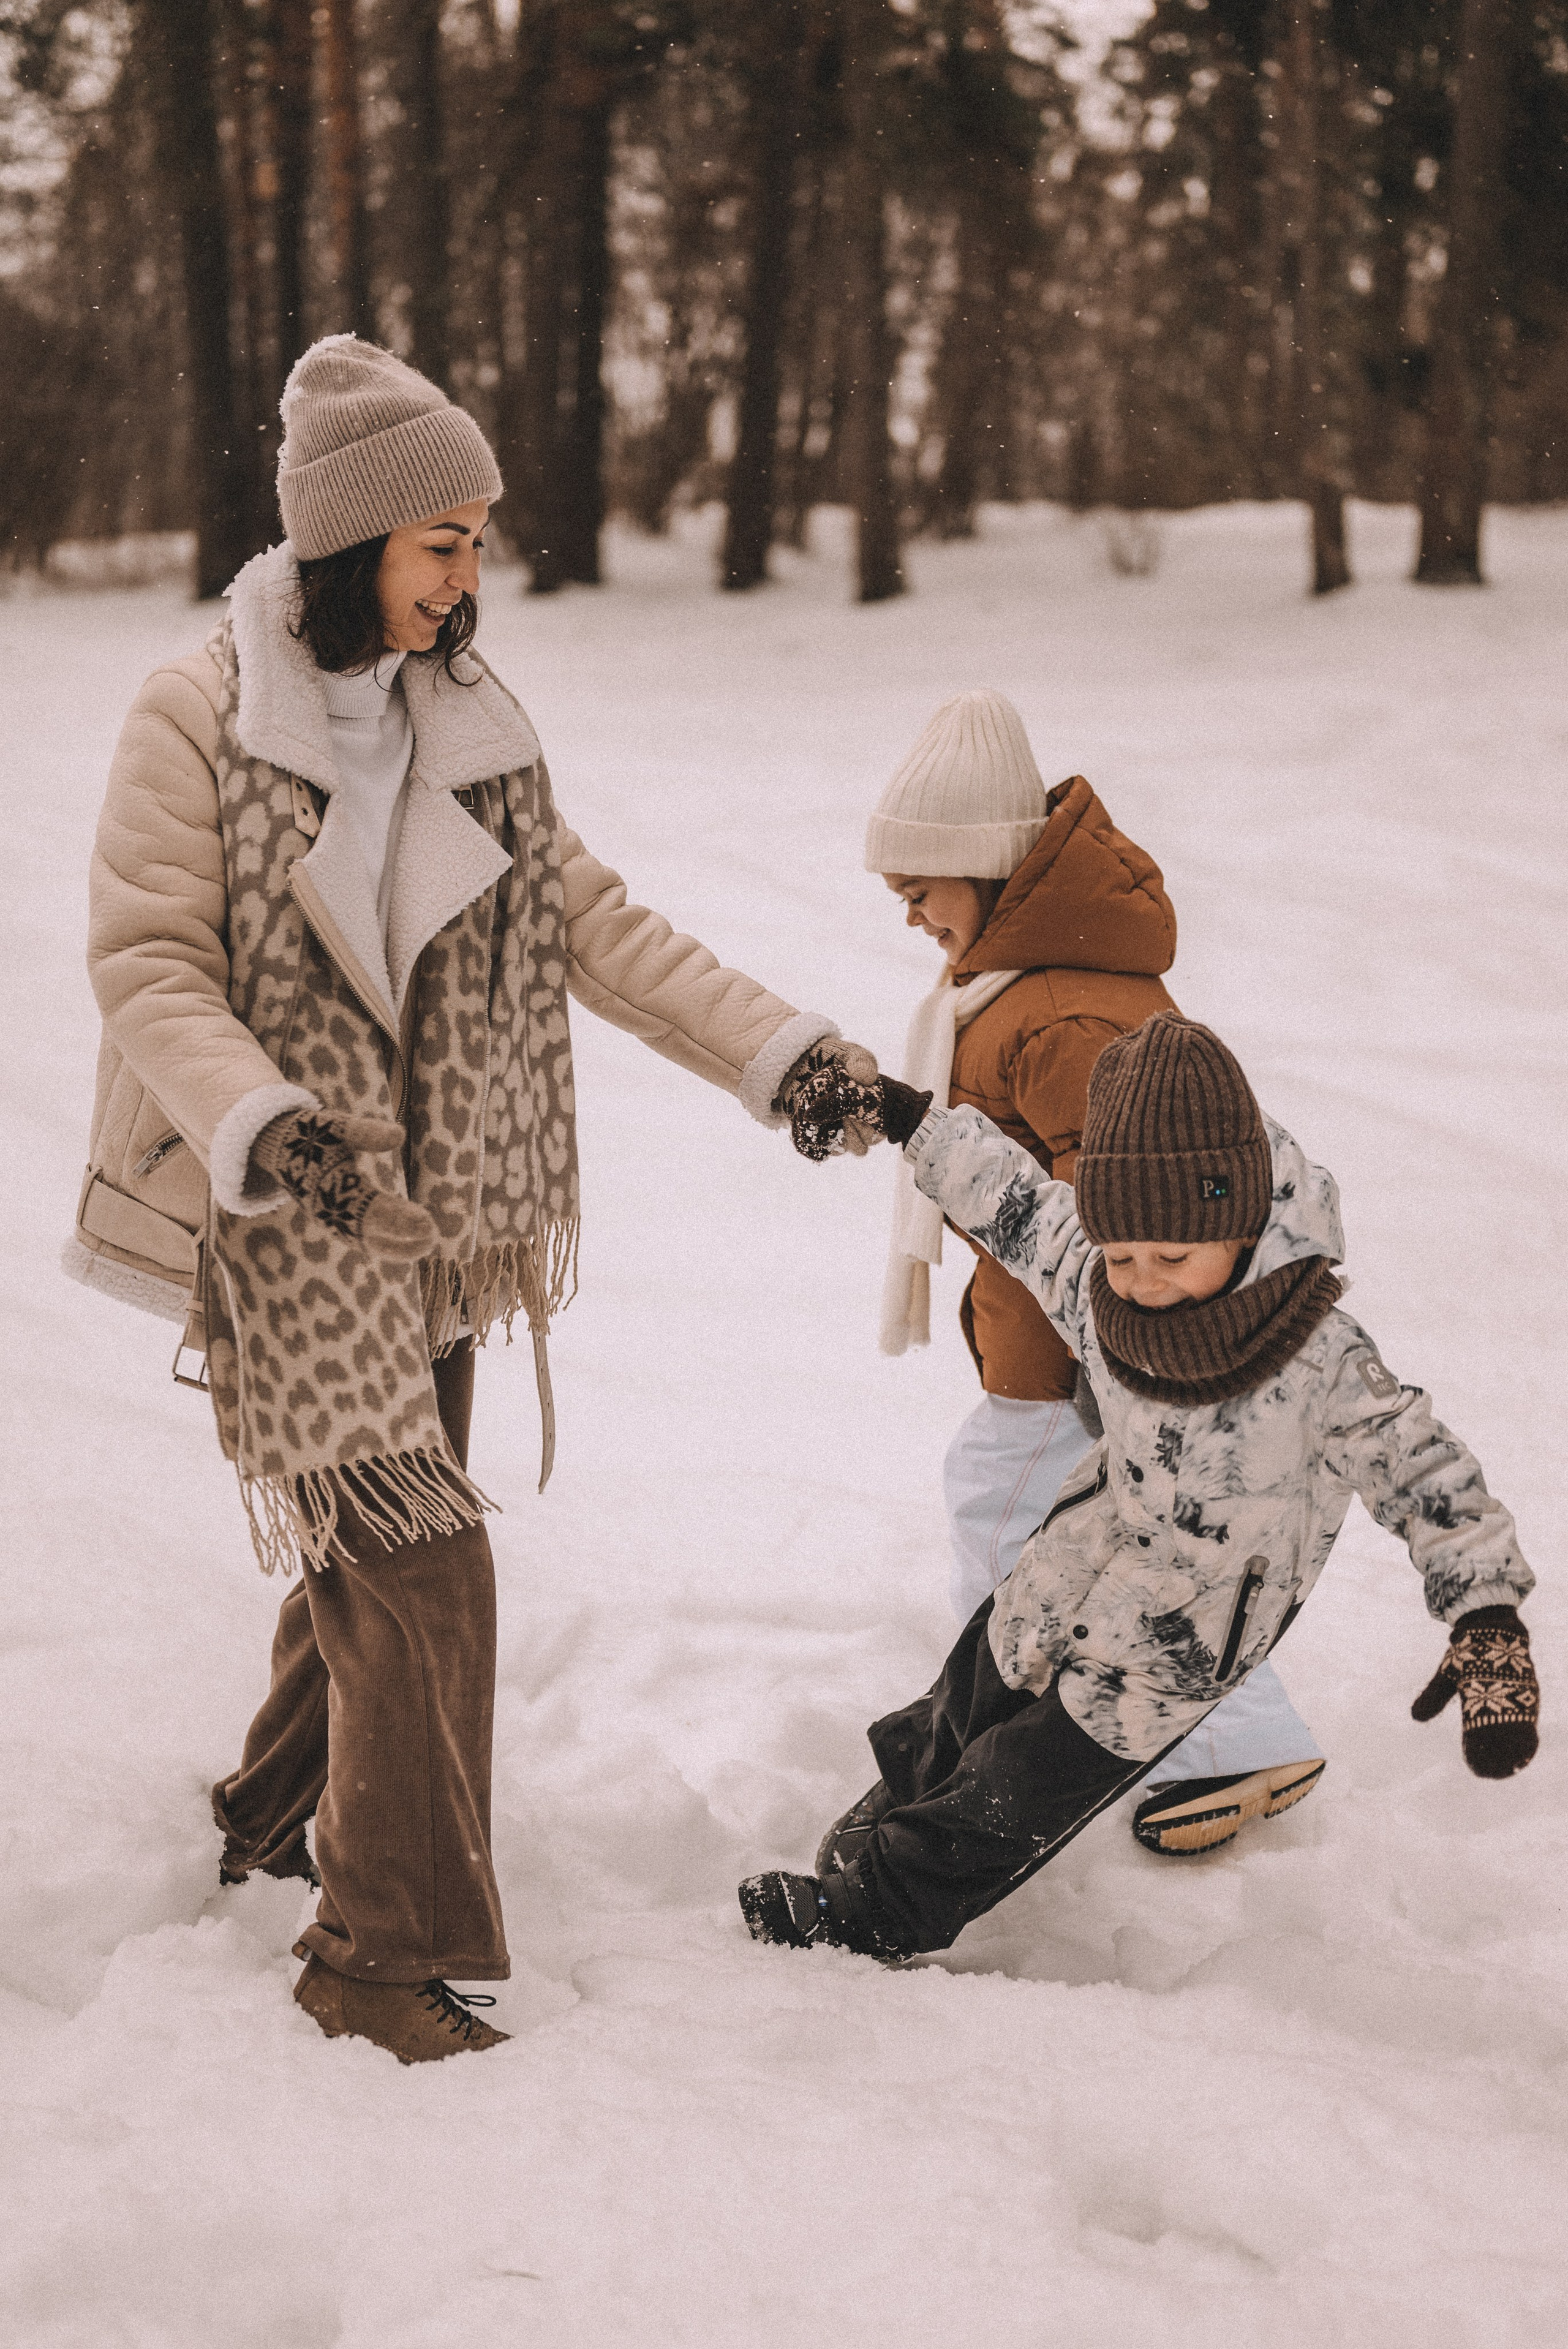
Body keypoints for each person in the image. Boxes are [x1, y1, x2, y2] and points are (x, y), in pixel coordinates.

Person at [72, 334, 880, 2062]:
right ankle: (375, 1952)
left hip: (432, 1219)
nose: (472, 573)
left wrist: (782, 1056)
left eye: (479, 540)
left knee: (367, 1555)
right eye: (445, 538)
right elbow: (147, 961)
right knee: (420, 1560)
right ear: (352, 540)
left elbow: (601, 928)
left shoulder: (470, 720)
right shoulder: (199, 710)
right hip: (290, 1217)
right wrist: (273, 1130)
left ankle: (267, 1809)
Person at [738, 1014, 1540, 1961]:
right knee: (959, 1706)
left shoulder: (1317, 1358)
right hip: (1071, 1568)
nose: (1146, 1282)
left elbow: (1427, 1474)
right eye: (1124, 1255)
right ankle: (883, 1830)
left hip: (1180, 1645)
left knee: (1017, 1790)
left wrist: (1486, 1616)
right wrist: (906, 1114)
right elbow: (1016, 1204)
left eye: (1174, 1258)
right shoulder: (1101, 1289)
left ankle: (871, 1914)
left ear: (1239, 1225)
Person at [868, 690, 1325, 1857]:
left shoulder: (1061, 1012)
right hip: (1063, 1340)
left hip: (1082, 1349)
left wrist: (1123, 1355)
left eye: (920, 881)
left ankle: (1019, 1748)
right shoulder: (1025, 990)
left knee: (1009, 1509)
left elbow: (1136, 1204)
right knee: (1118, 1539)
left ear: (985, 867)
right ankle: (1229, 1735)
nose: (907, 908)